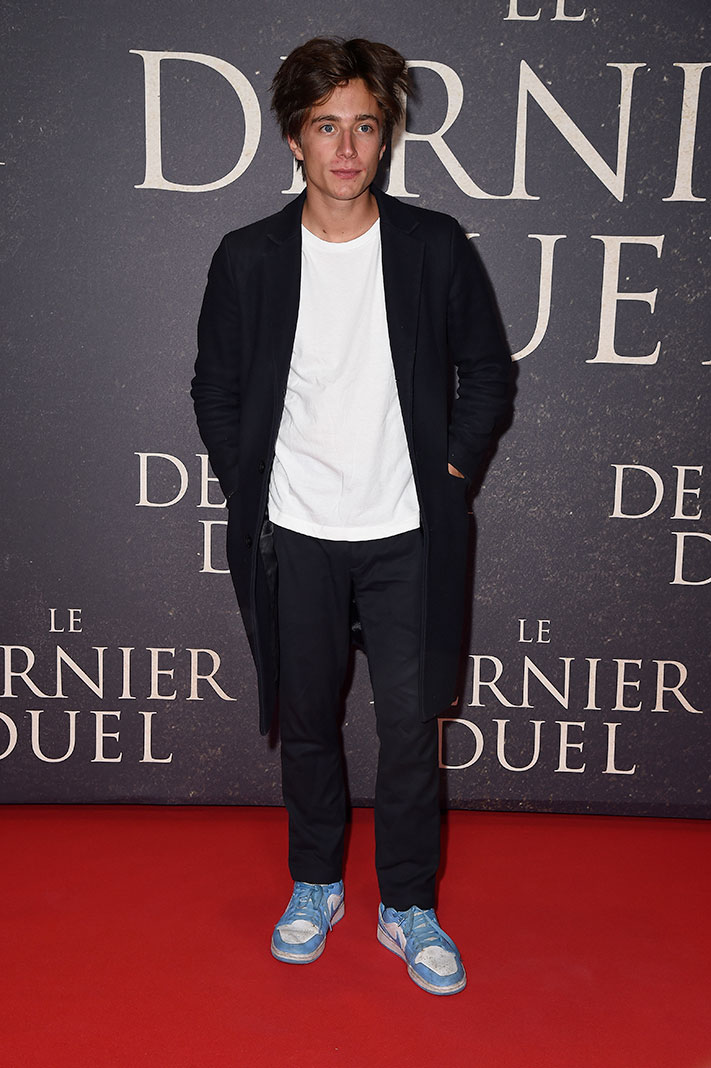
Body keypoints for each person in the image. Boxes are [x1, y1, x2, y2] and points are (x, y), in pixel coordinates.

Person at [191, 37, 510, 997]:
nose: (345, 147)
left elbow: (487, 374)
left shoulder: (432, 246)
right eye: (325, 126)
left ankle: (406, 904)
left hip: (407, 533)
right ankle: (317, 883)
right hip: (293, 531)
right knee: (307, 719)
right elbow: (215, 388)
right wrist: (250, 482)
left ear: (384, 137)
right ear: (294, 138)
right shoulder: (248, 257)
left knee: (411, 729)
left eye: (364, 126)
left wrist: (446, 473)